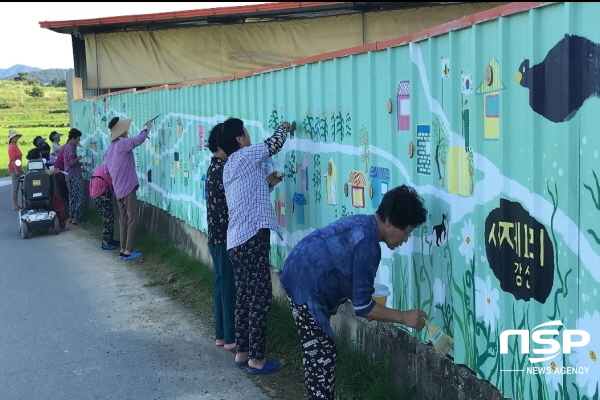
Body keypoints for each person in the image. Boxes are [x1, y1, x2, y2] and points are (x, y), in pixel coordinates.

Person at [279, 184, 429, 400]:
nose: (405, 240)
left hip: (298, 273)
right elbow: (363, 307)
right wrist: (404, 317)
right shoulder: (368, 244)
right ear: (389, 222)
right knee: (323, 356)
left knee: (319, 354)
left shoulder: (364, 224)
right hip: (305, 285)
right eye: (405, 233)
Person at [218, 117, 291, 375]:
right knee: (260, 297)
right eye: (246, 133)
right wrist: (285, 127)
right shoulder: (246, 155)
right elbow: (274, 144)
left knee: (245, 296)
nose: (249, 137)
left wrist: (269, 183)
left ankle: (243, 352)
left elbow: (248, 198)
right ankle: (257, 360)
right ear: (239, 138)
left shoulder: (230, 166)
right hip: (251, 238)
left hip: (236, 240)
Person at [205, 123, 236, 351]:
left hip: (216, 236)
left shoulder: (214, 167)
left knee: (220, 284)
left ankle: (221, 334)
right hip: (224, 237)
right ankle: (231, 337)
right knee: (227, 286)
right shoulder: (222, 169)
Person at [105, 116, 152, 261]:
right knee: (132, 218)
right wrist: (147, 128)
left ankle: (123, 250)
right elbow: (138, 140)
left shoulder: (110, 148)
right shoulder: (122, 143)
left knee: (123, 218)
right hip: (127, 188)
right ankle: (128, 251)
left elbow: (107, 170)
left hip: (118, 189)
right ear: (122, 131)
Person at [25, 149, 69, 232]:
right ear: (39, 156)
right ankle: (61, 225)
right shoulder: (41, 166)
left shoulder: (30, 169)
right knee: (59, 204)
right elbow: (49, 173)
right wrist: (56, 172)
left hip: (31, 195)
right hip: (46, 192)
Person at [89, 163, 119, 250]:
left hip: (96, 190)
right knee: (108, 218)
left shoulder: (107, 165)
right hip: (101, 191)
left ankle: (110, 239)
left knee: (109, 216)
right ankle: (105, 242)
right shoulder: (113, 166)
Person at [63, 128, 86, 225]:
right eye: (78, 139)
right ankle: (76, 217)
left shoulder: (67, 147)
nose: (78, 141)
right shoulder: (71, 148)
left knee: (72, 196)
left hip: (69, 175)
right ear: (73, 138)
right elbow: (71, 162)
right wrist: (80, 157)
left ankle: (71, 216)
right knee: (80, 197)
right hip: (74, 176)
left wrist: (81, 164)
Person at [7, 129, 24, 211]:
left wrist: (21, 168)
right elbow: (12, 159)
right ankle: (14, 204)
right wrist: (16, 169)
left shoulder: (15, 145)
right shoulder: (11, 147)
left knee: (17, 187)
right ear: (12, 138)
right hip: (14, 169)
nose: (17, 138)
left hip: (17, 168)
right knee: (15, 187)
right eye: (16, 136)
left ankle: (16, 204)